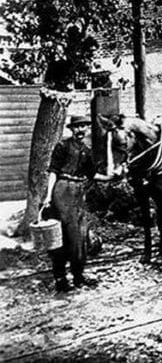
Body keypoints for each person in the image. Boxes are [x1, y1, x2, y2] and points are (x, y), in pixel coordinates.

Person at [42, 115, 118, 292]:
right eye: (77, 127)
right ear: (71, 129)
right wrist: (48, 196)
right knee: (62, 235)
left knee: (80, 236)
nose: (81, 130)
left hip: (78, 193)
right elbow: (53, 172)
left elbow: (92, 175)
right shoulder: (62, 146)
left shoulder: (87, 151)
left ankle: (78, 276)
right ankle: (60, 278)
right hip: (62, 190)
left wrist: (109, 177)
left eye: (84, 126)